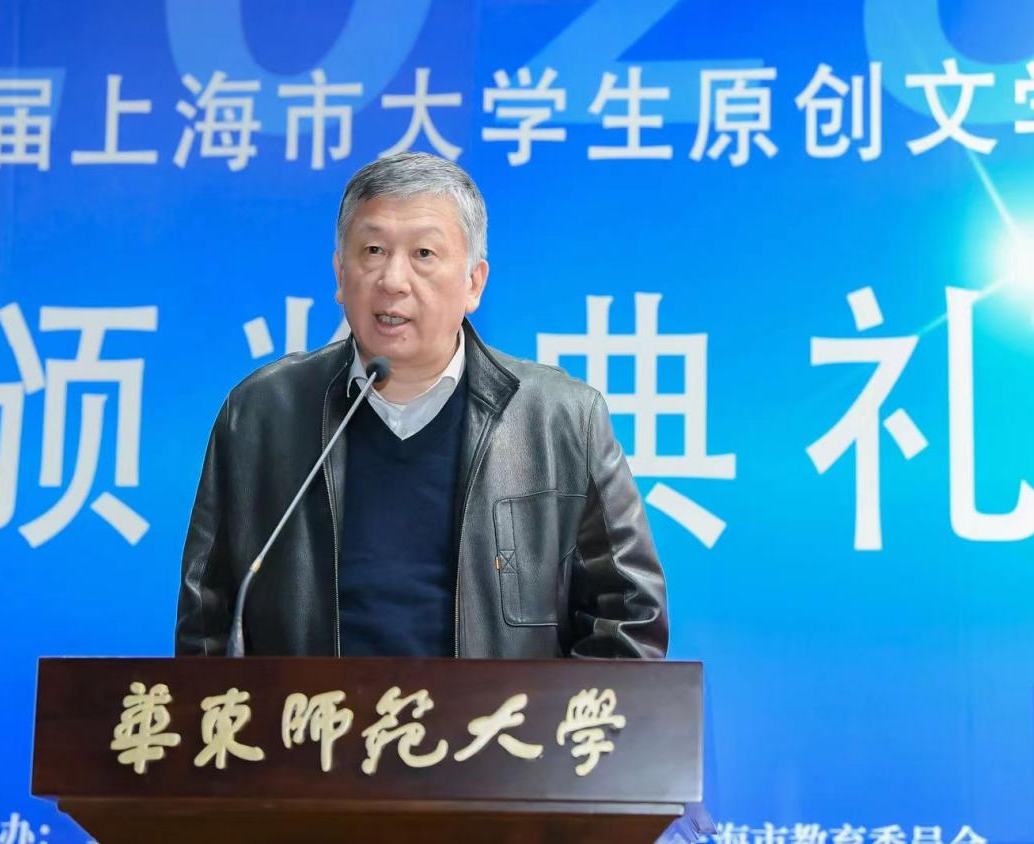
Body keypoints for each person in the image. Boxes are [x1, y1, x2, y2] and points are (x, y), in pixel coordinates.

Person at [175, 152, 667, 659]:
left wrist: (546, 714)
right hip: (308, 713)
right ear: (340, 273)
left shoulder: (560, 418)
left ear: (474, 283)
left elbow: (629, 617)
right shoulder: (261, 413)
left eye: (424, 254)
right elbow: (208, 623)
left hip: (498, 716)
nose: (393, 279)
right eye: (373, 250)